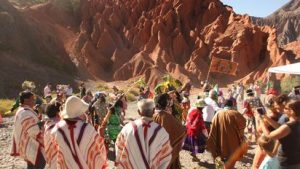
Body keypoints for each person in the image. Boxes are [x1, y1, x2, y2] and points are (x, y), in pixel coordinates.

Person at [46, 96, 107, 169]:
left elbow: (54, 152)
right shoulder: (88, 129)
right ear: (80, 112)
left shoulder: (56, 130)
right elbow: (100, 148)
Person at [115, 99, 172, 168]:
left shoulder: (127, 128)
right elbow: (166, 157)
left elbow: (119, 148)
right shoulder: (161, 132)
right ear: (154, 110)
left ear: (139, 112)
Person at [10, 91, 46, 169]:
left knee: (32, 165)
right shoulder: (25, 113)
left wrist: (38, 120)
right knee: (37, 164)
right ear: (26, 100)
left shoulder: (23, 110)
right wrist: (41, 123)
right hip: (31, 146)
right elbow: (33, 131)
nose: (34, 101)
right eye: (32, 99)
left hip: (28, 144)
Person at [207, 99, 246, 167]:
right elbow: (243, 123)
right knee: (231, 158)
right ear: (232, 105)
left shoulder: (217, 113)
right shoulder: (235, 113)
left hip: (220, 140)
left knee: (221, 159)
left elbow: (212, 125)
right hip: (233, 141)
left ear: (224, 105)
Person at [263, 100, 300, 169]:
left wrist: (261, 122)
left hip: (288, 163)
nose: (283, 109)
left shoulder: (288, 126)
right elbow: (279, 127)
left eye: (286, 108)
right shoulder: (294, 123)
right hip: (296, 160)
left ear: (292, 111)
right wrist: (265, 117)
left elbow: (269, 136)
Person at [153, 93, 186, 169]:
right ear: (166, 104)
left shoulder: (153, 114)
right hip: (168, 151)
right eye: (168, 104)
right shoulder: (167, 117)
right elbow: (180, 130)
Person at [44, 101, 61, 167]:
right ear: (58, 113)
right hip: (57, 159)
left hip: (52, 156)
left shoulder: (48, 123)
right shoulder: (58, 126)